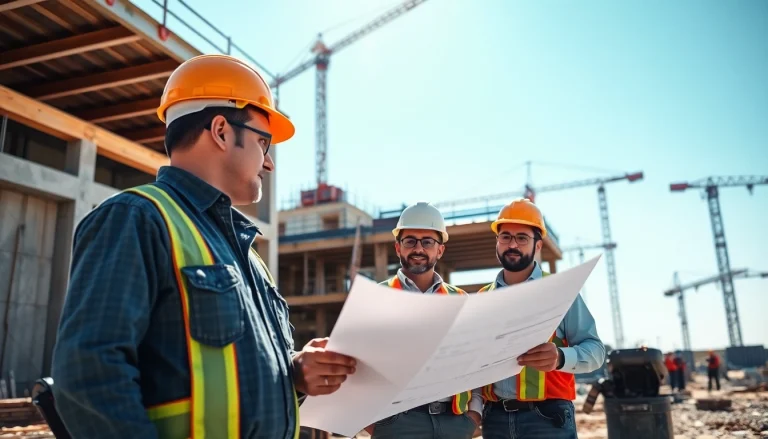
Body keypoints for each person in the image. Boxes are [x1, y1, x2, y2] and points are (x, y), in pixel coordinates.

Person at [50, 54, 356, 439]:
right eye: (264, 142)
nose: (269, 163)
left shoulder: (247, 254)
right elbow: (88, 374)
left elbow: (226, 378)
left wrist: (293, 374)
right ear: (222, 131)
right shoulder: (136, 219)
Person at [476, 198, 605, 439]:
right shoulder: (483, 298)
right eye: (505, 236)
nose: (512, 244)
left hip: (547, 418)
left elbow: (596, 351)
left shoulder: (560, 291)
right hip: (494, 419)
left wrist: (561, 358)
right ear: (497, 242)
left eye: (522, 238)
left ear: (538, 245)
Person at [365, 202, 482, 439]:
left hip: (454, 423)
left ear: (440, 250)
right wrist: (373, 423)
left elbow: (475, 364)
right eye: (410, 241)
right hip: (397, 424)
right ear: (398, 248)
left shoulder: (460, 300)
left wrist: (474, 415)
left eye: (427, 242)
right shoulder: (376, 298)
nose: (418, 248)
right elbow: (358, 367)